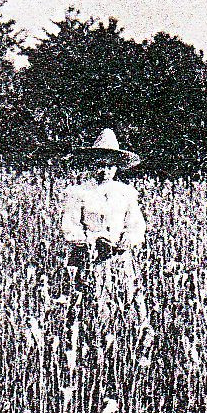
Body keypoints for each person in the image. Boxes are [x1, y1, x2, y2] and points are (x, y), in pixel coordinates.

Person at [60, 128, 147, 324]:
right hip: (90, 257)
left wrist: (127, 240)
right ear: (92, 164)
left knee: (126, 302)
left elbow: (136, 225)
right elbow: (70, 227)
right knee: (91, 305)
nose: (105, 170)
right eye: (100, 165)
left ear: (116, 167)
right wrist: (93, 241)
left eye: (110, 166)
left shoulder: (126, 193)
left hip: (119, 258)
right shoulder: (79, 193)